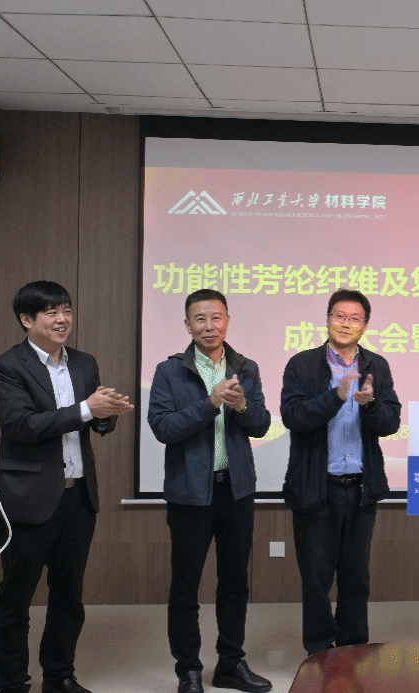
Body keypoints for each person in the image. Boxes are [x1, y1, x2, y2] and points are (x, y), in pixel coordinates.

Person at [0, 280, 134, 693]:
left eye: (66, 309)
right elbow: (21, 426)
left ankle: (59, 676)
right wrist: (87, 409)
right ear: (26, 319)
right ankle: (12, 683)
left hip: (77, 498)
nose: (62, 319)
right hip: (27, 501)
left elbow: (94, 421)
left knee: (68, 597)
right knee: (15, 599)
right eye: (51, 312)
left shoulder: (84, 363)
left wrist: (106, 413)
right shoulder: (6, 367)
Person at [148, 289, 272, 693]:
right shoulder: (169, 371)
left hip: (236, 491)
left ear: (227, 321)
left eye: (216, 318)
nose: (209, 326)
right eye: (199, 319)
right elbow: (163, 428)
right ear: (187, 325)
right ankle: (188, 669)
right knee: (186, 586)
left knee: (234, 582)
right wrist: (210, 402)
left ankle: (230, 664)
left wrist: (241, 407)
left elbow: (261, 425)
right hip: (189, 494)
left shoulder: (246, 368)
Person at [280, 289, 401, 655]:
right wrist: (334, 397)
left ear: (365, 325)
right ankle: (319, 652)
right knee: (317, 579)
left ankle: (352, 650)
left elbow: (390, 423)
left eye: (354, 318)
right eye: (339, 316)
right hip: (316, 488)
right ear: (328, 319)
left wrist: (371, 403)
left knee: (356, 576)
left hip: (360, 488)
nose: (346, 324)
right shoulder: (302, 364)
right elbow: (294, 417)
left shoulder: (377, 366)